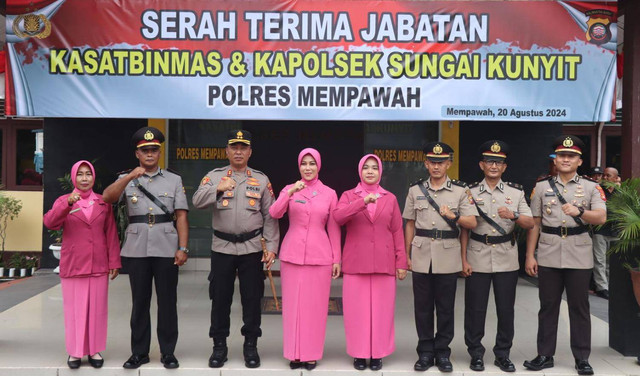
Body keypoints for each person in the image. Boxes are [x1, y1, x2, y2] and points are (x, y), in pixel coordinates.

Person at [102, 127, 190, 369]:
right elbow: (107, 198)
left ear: (159, 152)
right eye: (145, 150)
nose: (150, 154)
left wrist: (183, 247)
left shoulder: (174, 179)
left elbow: (181, 216)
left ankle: (168, 352)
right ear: (137, 154)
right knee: (139, 302)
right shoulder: (127, 178)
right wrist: (130, 177)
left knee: (167, 302)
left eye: (154, 150)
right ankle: (139, 352)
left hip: (166, 247)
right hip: (137, 248)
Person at [192, 129, 279, 369]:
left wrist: (271, 247)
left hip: (252, 248)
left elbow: (270, 216)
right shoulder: (215, 175)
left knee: (252, 299)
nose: (238, 151)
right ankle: (219, 346)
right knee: (220, 299)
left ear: (250, 152)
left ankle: (251, 345)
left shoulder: (261, 179)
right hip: (222, 248)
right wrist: (218, 188)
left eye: (243, 148)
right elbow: (197, 201)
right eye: (234, 147)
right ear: (227, 151)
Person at [524, 135, 606, 376]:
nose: (566, 159)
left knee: (579, 307)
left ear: (579, 161)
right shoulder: (541, 186)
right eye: (562, 155)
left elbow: (601, 217)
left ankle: (582, 358)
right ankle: (544, 355)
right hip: (548, 252)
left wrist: (579, 211)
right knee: (547, 306)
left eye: (571, 156)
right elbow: (535, 224)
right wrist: (530, 255)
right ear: (555, 159)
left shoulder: (592, 187)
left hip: (579, 252)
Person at [403, 142, 478, 373]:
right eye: (432, 162)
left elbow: (471, 223)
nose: (436, 166)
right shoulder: (415, 190)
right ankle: (425, 352)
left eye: (441, 162)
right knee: (422, 308)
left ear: (449, 164)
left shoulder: (461, 190)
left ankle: (443, 352)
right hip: (422, 253)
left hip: (448, 254)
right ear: (426, 164)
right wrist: (406, 256)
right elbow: (410, 223)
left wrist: (453, 216)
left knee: (445, 308)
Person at [460, 141, 534, 373]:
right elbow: (464, 230)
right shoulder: (469, 191)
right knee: (475, 309)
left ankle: (503, 354)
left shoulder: (516, 191)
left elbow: (530, 222)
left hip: (506, 257)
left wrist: (513, 215)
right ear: (482, 165)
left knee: (505, 309)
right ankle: (476, 353)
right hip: (477, 254)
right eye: (490, 161)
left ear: (504, 167)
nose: (494, 166)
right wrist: (463, 259)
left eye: (499, 162)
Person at [43, 160, 121, 369]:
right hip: (74, 264)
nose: (84, 178)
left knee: (97, 310)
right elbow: (50, 222)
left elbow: (111, 233)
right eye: (80, 174)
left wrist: (114, 260)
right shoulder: (64, 200)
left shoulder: (103, 202)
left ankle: (94, 350)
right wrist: (67, 203)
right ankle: (75, 352)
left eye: (88, 174)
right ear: (74, 177)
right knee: (74, 311)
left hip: (98, 264)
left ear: (93, 177)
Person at [268, 148, 340, 370]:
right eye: (304, 164)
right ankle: (294, 353)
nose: (308, 168)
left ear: (319, 166)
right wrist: (289, 193)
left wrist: (337, 258)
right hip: (292, 255)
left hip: (320, 256)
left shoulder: (329, 193)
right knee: (293, 306)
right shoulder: (290, 189)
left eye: (312, 164)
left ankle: (310, 354)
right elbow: (274, 213)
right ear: (299, 166)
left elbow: (334, 227)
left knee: (316, 307)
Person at [334, 154, 408, 371]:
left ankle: (378, 353)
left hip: (384, 264)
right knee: (356, 312)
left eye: (374, 168)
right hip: (356, 263)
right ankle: (359, 353)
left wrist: (401, 261)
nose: (370, 171)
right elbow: (338, 218)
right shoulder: (349, 195)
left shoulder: (390, 198)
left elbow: (397, 231)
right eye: (366, 167)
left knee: (382, 312)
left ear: (380, 172)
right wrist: (362, 202)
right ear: (359, 171)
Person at [591, 167, 620, 299]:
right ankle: (602, 287)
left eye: (608, 176)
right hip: (600, 230)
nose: (605, 178)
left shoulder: (620, 193)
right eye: (604, 175)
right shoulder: (598, 191)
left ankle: (609, 286)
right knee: (600, 260)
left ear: (615, 178)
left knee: (610, 262)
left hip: (616, 232)